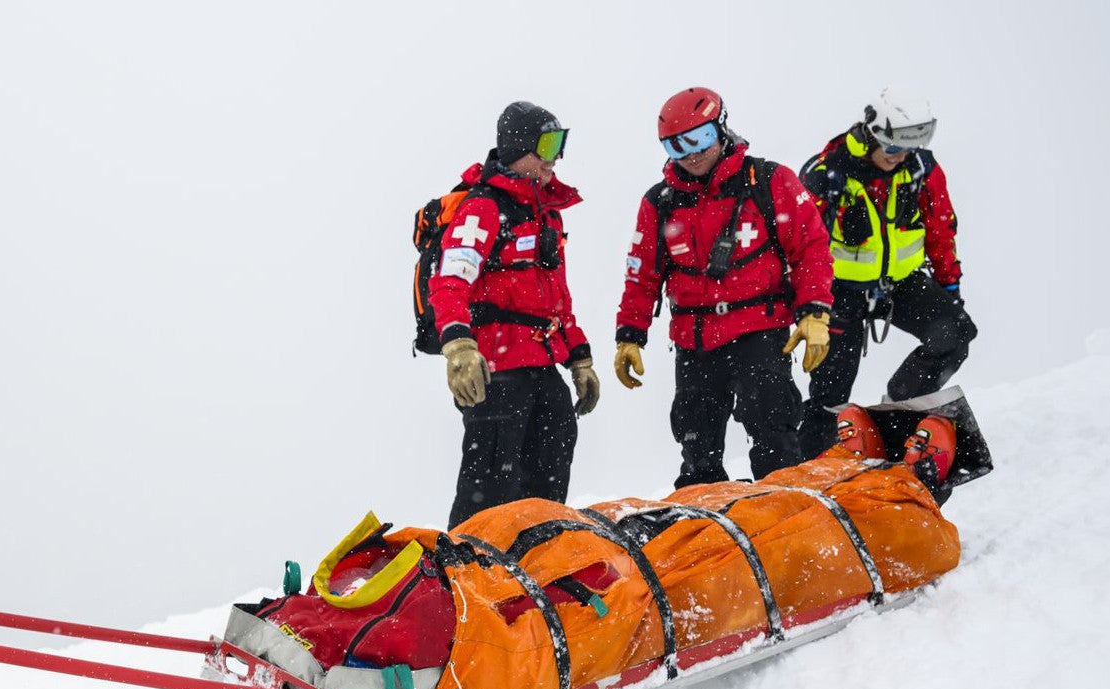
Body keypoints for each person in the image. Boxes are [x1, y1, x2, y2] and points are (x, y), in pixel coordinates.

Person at [613, 88, 835, 487]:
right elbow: (642, 274)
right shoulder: (660, 202)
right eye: (676, 145)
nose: (691, 154)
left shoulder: (769, 181)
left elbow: (812, 249)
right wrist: (629, 334)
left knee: (774, 437)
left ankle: (785, 513)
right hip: (694, 342)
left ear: (721, 128)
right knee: (696, 447)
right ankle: (705, 518)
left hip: (759, 332)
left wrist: (815, 311)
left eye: (699, 138)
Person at [416, 101, 598, 527]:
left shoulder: (546, 214)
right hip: (496, 371)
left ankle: (539, 550)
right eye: (547, 146)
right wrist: (459, 347)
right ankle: (469, 554)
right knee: (492, 484)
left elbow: (557, 298)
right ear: (519, 148)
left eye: (560, 144)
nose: (555, 158)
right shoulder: (483, 208)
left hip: (541, 363)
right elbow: (450, 280)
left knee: (554, 455)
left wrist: (579, 357)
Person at [795, 88, 973, 457]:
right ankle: (813, 465)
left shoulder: (920, 169)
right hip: (839, 292)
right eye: (892, 147)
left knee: (955, 334)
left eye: (909, 148)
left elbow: (940, 228)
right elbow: (800, 246)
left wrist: (949, 286)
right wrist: (808, 307)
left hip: (900, 284)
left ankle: (895, 412)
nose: (899, 156)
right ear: (871, 134)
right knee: (831, 390)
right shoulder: (827, 174)